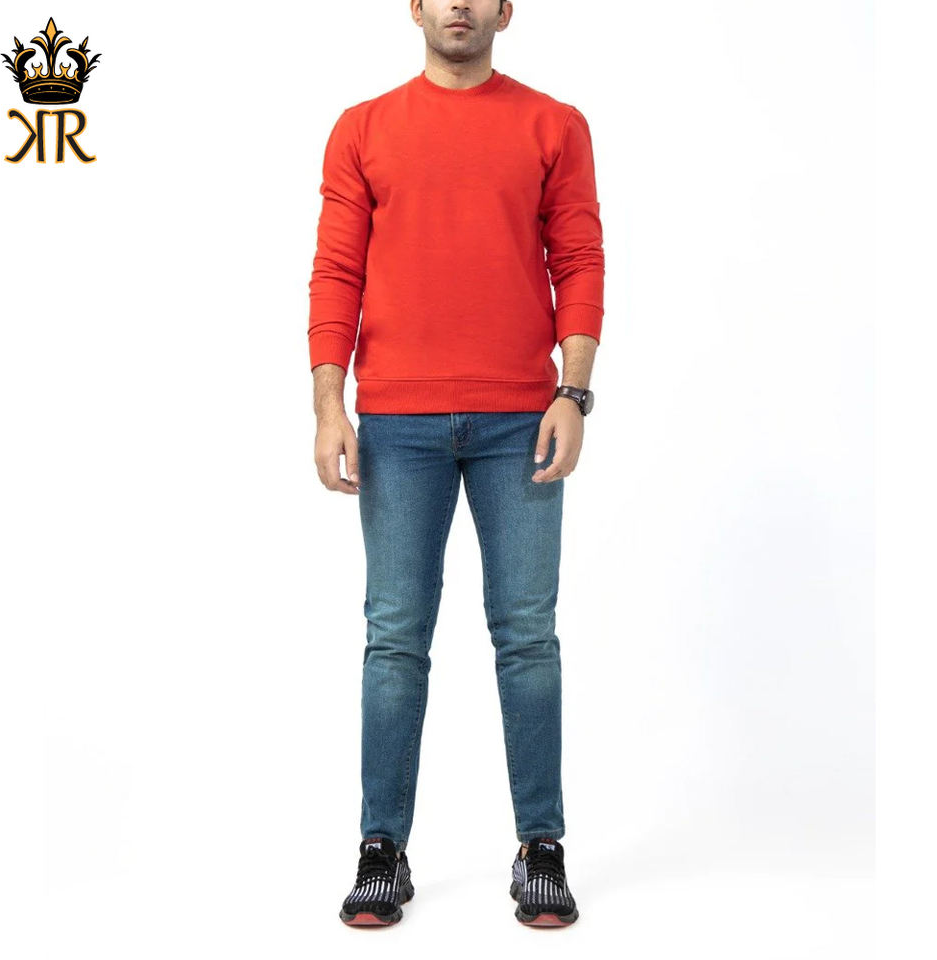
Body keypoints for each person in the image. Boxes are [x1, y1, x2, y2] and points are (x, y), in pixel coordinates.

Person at [308, 0, 603, 927]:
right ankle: (381, 848)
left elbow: (579, 259)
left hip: (522, 418)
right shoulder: (363, 129)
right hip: (396, 422)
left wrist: (574, 391)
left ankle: (541, 846)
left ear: (506, 10)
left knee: (527, 635)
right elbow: (336, 271)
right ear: (417, 7)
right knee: (395, 638)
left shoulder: (554, 125)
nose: (460, 4)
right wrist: (328, 406)